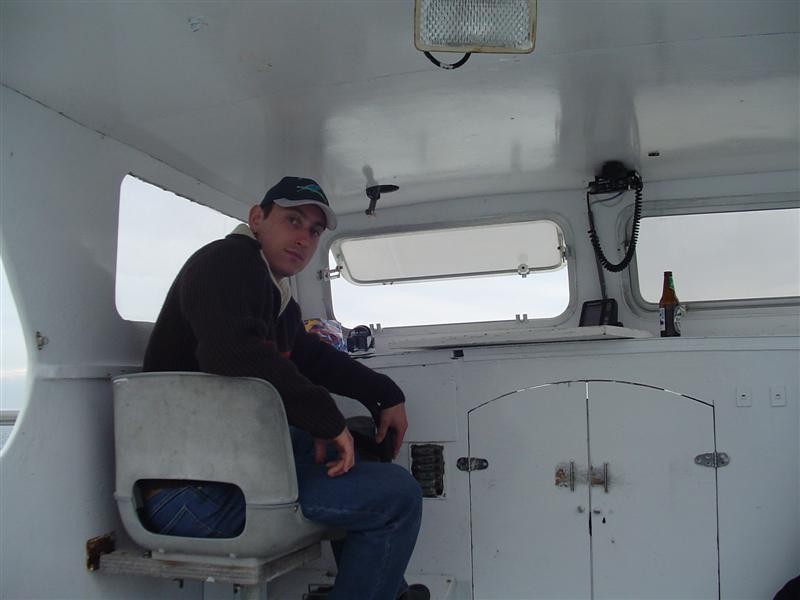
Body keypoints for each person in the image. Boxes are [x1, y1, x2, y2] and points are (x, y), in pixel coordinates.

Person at [141, 176, 427, 600]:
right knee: (397, 497)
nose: (303, 239)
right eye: (293, 221)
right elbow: (231, 353)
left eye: (314, 231)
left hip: (231, 473)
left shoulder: (273, 291)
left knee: (361, 444)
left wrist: (384, 392)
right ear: (257, 218)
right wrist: (324, 419)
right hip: (192, 493)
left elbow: (309, 356)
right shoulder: (226, 261)